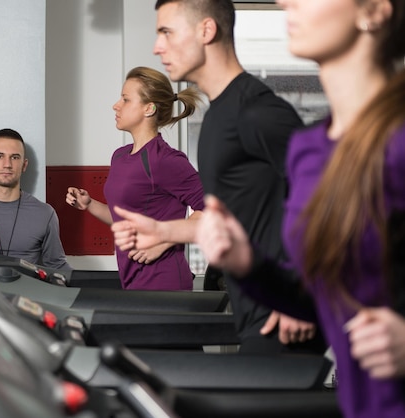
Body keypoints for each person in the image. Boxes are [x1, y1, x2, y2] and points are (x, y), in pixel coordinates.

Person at [192, 0, 405, 416]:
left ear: (375, 11)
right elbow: (324, 298)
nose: (285, 1)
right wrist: (246, 263)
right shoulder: (310, 150)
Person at [112, 0, 324, 354]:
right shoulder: (217, 119)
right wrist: (167, 232)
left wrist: (302, 292)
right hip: (253, 306)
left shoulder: (258, 112)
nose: (157, 46)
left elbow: (329, 200)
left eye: (167, 32)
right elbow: (235, 215)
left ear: (206, 31)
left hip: (284, 314)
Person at [65, 66, 205, 290]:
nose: (116, 105)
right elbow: (124, 219)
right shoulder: (120, 156)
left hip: (164, 281)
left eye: (125, 99)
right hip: (132, 280)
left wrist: (164, 241)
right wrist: (89, 204)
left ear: (149, 108)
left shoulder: (165, 160)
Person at [0, 128, 72, 270]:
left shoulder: (45, 214)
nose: (7, 164)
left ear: (24, 165)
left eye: (15, 157)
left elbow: (57, 266)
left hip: (28, 292)